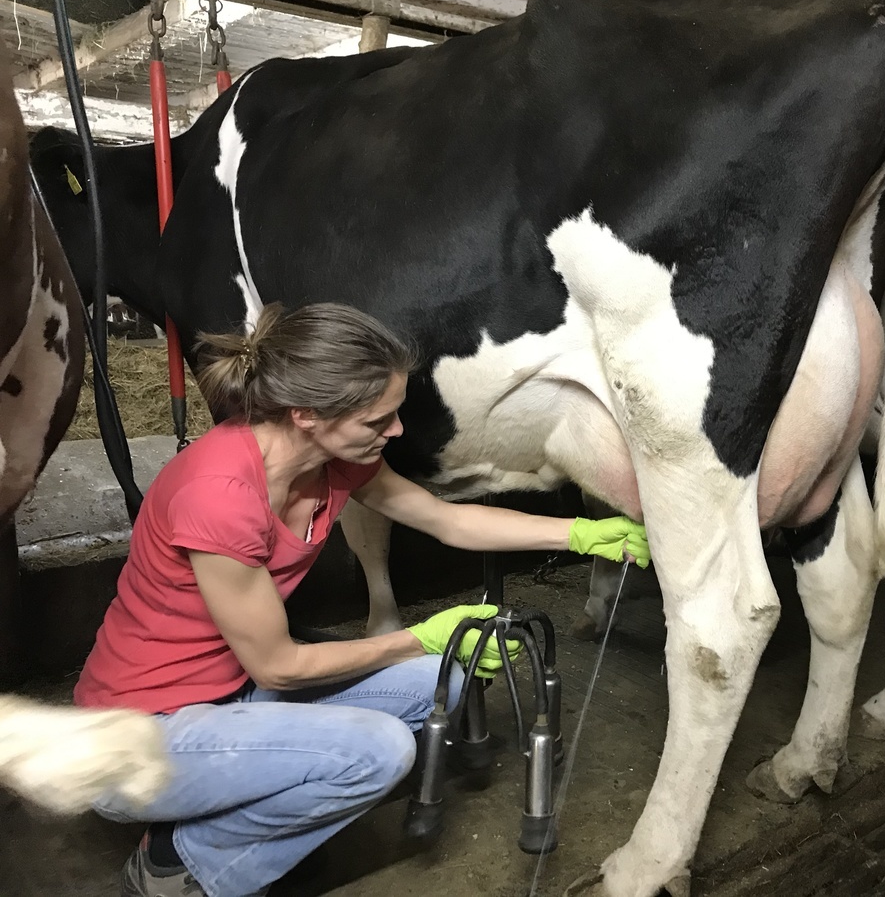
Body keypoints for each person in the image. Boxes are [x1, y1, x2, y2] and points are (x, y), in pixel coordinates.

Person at [73, 302, 649, 897]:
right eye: (378, 420)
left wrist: (583, 535)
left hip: (232, 691)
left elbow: (446, 520)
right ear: (305, 415)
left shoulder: (334, 462)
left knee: (443, 681)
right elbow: (279, 666)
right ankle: (176, 861)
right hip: (136, 735)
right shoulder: (219, 495)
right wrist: (417, 637)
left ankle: (250, 815)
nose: (396, 431)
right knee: (380, 753)